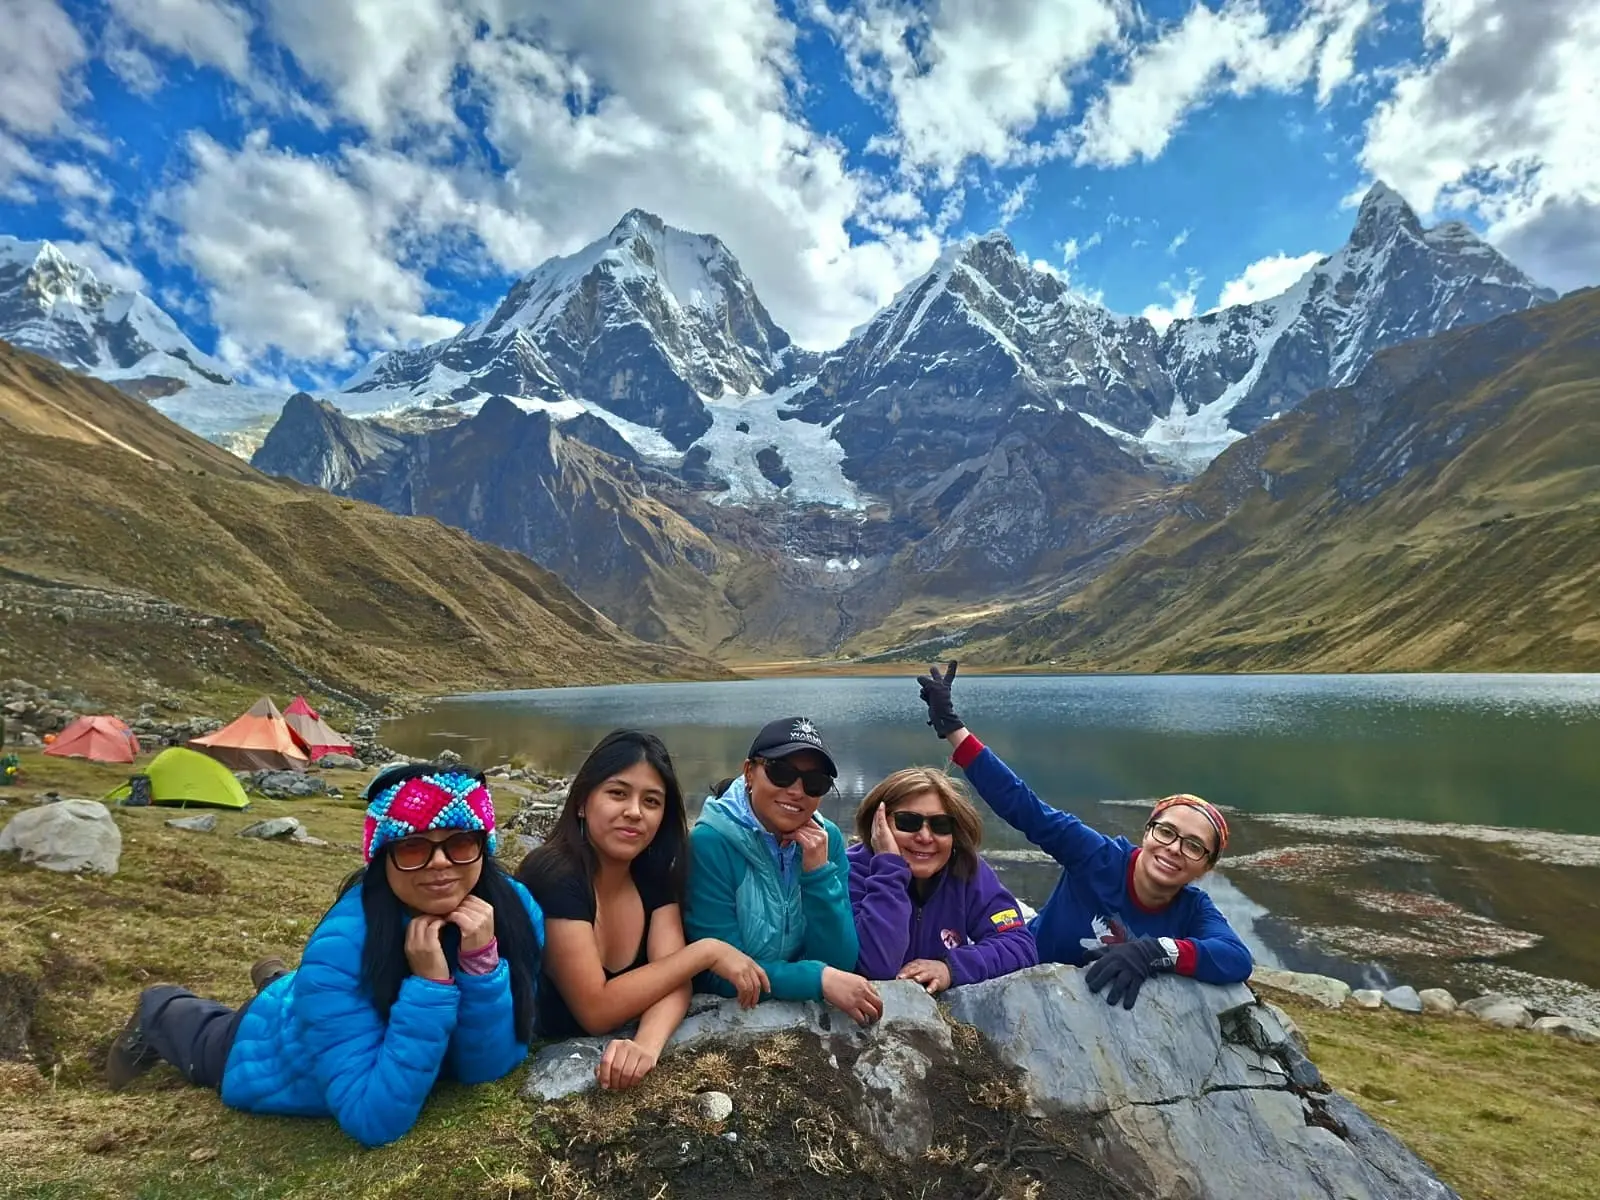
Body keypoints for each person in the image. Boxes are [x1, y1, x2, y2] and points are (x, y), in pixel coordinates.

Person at [104, 763, 545, 1146]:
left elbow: (486, 1067)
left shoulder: (513, 910)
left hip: (320, 1000)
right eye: (412, 847)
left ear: (483, 846)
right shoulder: (343, 943)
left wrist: (481, 963)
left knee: (307, 991)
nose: (440, 863)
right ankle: (159, 1009)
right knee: (209, 1037)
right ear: (382, 857)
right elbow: (374, 1119)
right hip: (274, 1045)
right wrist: (429, 987)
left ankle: (278, 980)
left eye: (461, 842)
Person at [916, 663, 1252, 1009]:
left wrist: (1155, 951)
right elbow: (1023, 805)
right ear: (1147, 832)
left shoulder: (1193, 910)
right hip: (1021, 983)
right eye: (1166, 831)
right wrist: (953, 729)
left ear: (1206, 867)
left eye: (1194, 846)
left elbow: (1236, 958)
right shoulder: (1097, 856)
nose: (1174, 848)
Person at [515, 730, 770, 1090]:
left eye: (651, 802)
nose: (634, 812)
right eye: (618, 793)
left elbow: (673, 979)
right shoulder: (553, 876)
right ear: (582, 803)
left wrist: (646, 1044)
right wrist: (707, 951)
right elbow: (596, 1011)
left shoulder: (652, 875)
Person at [683, 717, 882, 1024]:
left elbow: (838, 961)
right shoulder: (710, 843)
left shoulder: (825, 841)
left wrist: (818, 873)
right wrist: (817, 980)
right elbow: (720, 976)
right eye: (781, 772)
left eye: (814, 782)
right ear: (749, 772)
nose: (797, 791)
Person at [848, 767, 1038, 993]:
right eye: (908, 822)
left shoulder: (966, 870)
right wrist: (888, 868)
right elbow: (877, 967)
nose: (925, 837)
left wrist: (950, 968)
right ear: (877, 825)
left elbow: (1021, 946)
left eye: (940, 825)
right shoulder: (849, 871)